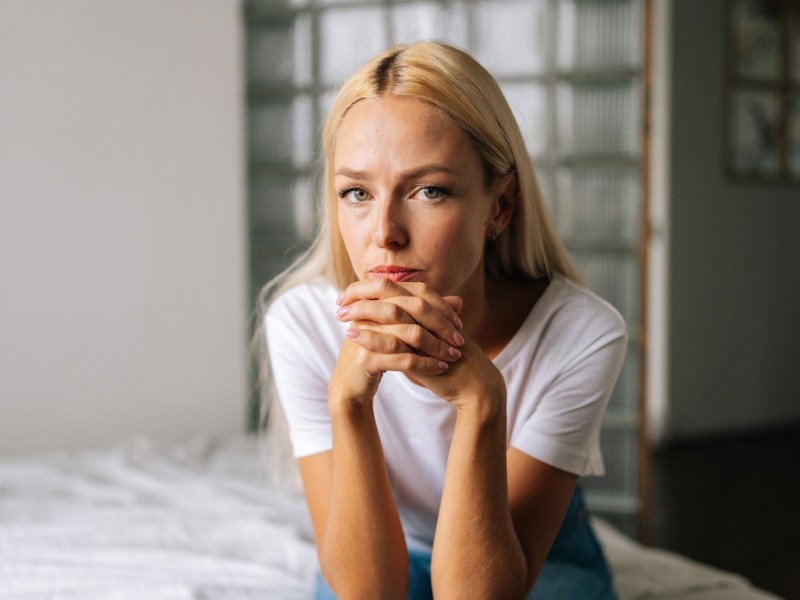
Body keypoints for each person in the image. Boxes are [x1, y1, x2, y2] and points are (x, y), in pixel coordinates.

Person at [261, 41, 627, 600]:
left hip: (530, 551)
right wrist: (349, 402)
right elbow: (366, 592)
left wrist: (482, 402)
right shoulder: (304, 322)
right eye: (356, 192)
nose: (385, 231)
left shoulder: (580, 334)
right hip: (388, 544)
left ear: (499, 206)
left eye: (429, 190)